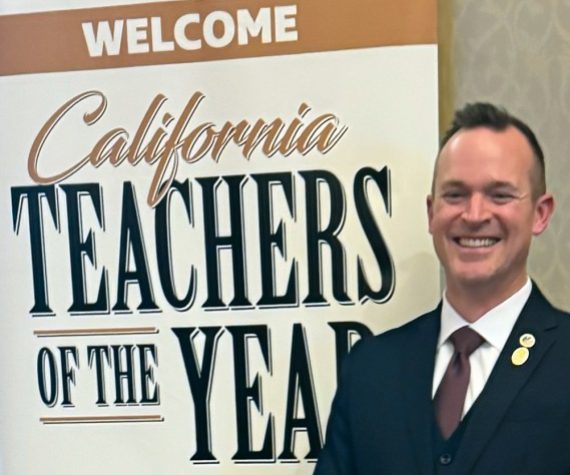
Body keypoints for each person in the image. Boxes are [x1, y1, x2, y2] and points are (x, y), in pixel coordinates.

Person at [314, 102, 570, 475]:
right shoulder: (369, 370)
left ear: (540, 213)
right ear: (432, 212)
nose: (475, 214)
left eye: (500, 194)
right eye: (455, 195)